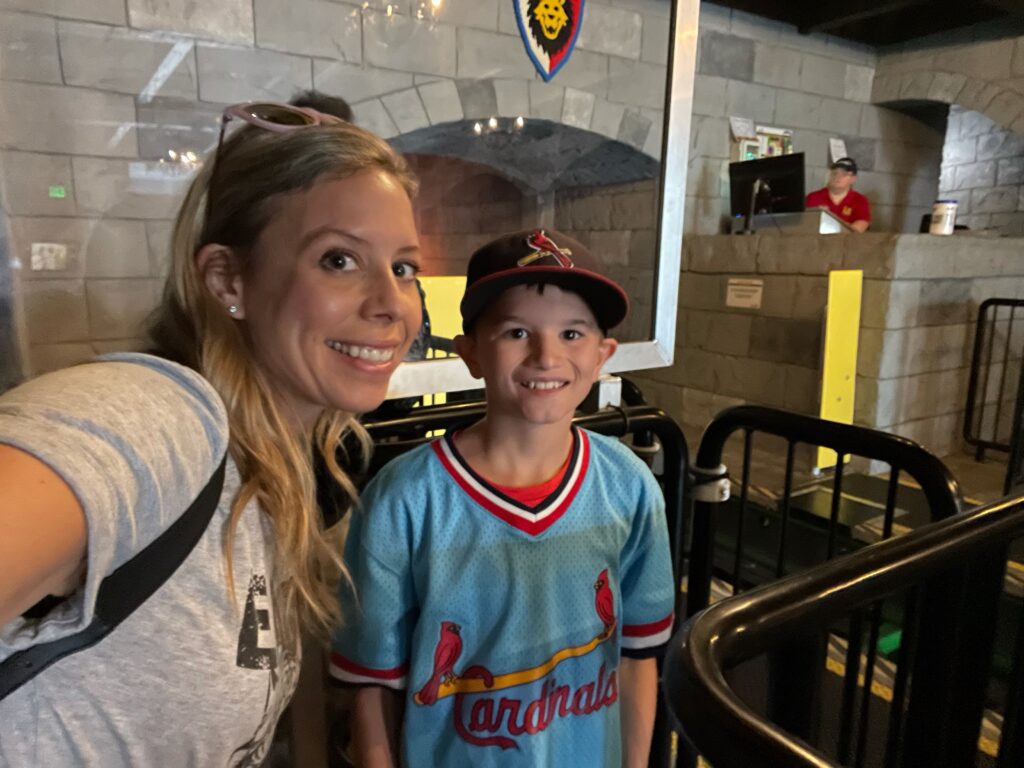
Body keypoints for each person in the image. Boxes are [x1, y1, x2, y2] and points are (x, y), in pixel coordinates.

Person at [0, 102, 423, 765]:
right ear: (229, 279)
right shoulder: (155, 416)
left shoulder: (271, 472)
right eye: (339, 260)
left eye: (403, 267)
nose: (391, 303)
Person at [330, 229, 675, 767]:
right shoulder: (404, 499)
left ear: (604, 353)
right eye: (517, 331)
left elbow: (636, 658)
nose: (546, 355)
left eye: (572, 333)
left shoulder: (629, 486)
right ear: (469, 351)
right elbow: (373, 686)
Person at [805, 157, 871, 232]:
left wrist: (829, 217)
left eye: (844, 174)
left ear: (853, 179)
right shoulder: (813, 197)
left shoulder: (860, 200)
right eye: (834, 173)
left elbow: (859, 228)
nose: (837, 177)